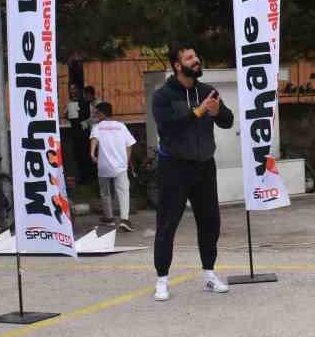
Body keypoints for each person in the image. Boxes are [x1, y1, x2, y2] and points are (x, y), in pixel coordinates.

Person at [149, 46, 233, 301]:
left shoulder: (208, 92)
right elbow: (169, 128)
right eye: (189, 58)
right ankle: (162, 280)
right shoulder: (163, 95)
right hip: (174, 167)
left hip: (204, 165)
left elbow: (227, 121)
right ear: (177, 65)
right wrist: (198, 112)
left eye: (196, 56)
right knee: (167, 224)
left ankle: (209, 274)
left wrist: (217, 111)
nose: (196, 60)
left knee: (210, 222)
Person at [89, 102, 137, 231]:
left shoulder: (97, 127)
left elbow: (94, 139)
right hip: (120, 166)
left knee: (105, 192)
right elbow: (130, 144)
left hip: (103, 165)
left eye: (97, 112)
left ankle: (109, 218)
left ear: (103, 113)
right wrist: (126, 161)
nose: (95, 115)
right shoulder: (121, 126)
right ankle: (124, 220)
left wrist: (92, 154)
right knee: (123, 191)